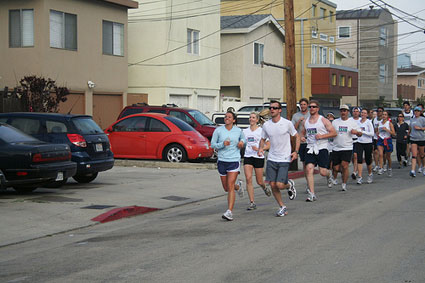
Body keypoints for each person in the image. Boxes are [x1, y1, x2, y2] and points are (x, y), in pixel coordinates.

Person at [258, 100, 300, 217]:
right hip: (272, 158)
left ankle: (289, 185)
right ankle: (282, 207)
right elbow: (263, 139)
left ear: (280, 110)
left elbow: (297, 136)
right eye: (271, 108)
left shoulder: (287, 123)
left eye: (275, 108)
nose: (272, 110)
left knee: (280, 185)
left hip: (284, 158)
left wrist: (295, 152)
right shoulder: (266, 125)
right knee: (272, 185)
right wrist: (261, 148)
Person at [211, 111, 246, 221]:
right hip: (222, 160)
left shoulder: (239, 131)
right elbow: (212, 144)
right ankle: (238, 186)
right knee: (226, 188)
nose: (226, 118)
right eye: (225, 117)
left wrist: (241, 143)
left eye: (229, 117)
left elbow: (243, 140)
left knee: (230, 186)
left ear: (233, 120)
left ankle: (229, 212)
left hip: (234, 160)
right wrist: (222, 144)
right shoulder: (218, 130)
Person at [301, 100, 337, 201]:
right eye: (310, 107)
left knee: (322, 172)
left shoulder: (323, 120)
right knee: (308, 169)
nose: (311, 109)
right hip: (310, 148)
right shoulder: (306, 121)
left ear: (318, 109)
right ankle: (312, 193)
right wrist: (302, 137)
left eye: (313, 107)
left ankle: (329, 175)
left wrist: (322, 136)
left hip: (322, 148)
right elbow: (302, 133)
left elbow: (334, 133)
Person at [243, 112, 271, 210]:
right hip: (248, 156)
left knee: (259, 181)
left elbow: (268, 144)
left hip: (258, 157)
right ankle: (252, 202)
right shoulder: (245, 131)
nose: (251, 119)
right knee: (248, 178)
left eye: (253, 117)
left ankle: (264, 187)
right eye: (250, 117)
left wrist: (261, 149)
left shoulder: (261, 131)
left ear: (257, 120)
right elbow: (241, 142)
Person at [331, 104, 362, 191]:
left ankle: (344, 184)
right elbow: (330, 132)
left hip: (347, 147)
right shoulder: (335, 122)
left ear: (348, 112)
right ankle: (335, 177)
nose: (343, 112)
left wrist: (356, 132)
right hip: (336, 147)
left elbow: (360, 133)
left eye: (344, 111)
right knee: (336, 168)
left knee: (345, 166)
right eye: (341, 111)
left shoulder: (352, 123)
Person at [291, 98, 309, 193]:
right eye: (301, 104)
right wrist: (299, 121)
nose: (302, 106)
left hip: (311, 142)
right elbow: (293, 129)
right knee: (305, 164)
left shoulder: (311, 114)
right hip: (301, 143)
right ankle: (308, 184)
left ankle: (327, 175)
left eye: (304, 104)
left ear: (307, 105)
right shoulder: (296, 116)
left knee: (311, 164)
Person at [356, 108, 375, 184]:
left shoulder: (368, 122)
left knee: (368, 160)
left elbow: (372, 133)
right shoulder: (358, 122)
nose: (363, 114)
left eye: (364, 113)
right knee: (359, 159)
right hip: (359, 142)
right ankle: (360, 176)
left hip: (368, 143)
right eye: (362, 113)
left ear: (367, 114)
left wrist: (362, 132)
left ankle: (370, 174)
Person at [376, 110, 396, 177]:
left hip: (387, 140)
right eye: (383, 115)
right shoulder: (379, 123)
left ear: (387, 116)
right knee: (381, 154)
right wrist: (377, 133)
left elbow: (393, 133)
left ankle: (389, 168)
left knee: (388, 156)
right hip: (380, 139)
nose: (384, 116)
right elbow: (377, 130)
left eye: (385, 115)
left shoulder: (389, 123)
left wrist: (387, 130)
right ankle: (381, 167)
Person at [409, 106, 425, 177]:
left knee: (422, 155)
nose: (416, 112)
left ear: (420, 112)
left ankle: (424, 167)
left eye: (418, 111)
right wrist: (408, 133)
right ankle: (413, 170)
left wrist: (420, 128)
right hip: (413, 138)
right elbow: (410, 128)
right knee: (414, 155)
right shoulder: (412, 119)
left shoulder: (423, 119)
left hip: (421, 138)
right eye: (415, 111)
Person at [350, 107, 361, 180]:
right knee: (353, 157)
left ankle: (354, 171)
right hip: (350, 140)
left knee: (356, 155)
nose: (355, 113)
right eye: (354, 111)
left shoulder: (361, 120)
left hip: (358, 140)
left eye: (357, 111)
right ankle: (355, 168)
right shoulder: (349, 120)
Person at [372, 107, 384, 172]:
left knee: (382, 154)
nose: (379, 112)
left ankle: (383, 164)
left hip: (383, 138)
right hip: (376, 138)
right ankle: (376, 165)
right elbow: (373, 128)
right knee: (375, 152)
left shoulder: (384, 120)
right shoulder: (374, 120)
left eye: (380, 111)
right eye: (378, 111)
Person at [402, 101, 414, 165]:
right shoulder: (402, 113)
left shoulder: (412, 113)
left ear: (409, 106)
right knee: (406, 146)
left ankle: (410, 158)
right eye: (404, 105)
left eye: (407, 105)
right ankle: (407, 158)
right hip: (405, 131)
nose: (405, 107)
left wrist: (410, 130)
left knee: (411, 146)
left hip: (411, 131)